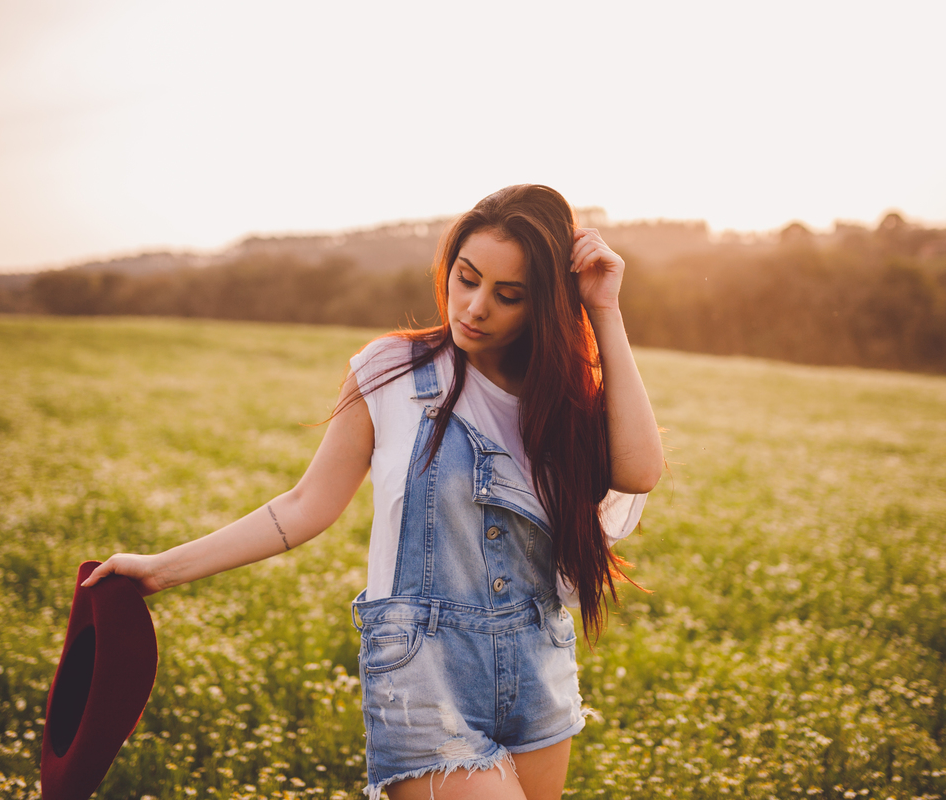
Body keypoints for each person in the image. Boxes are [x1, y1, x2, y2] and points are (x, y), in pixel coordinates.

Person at [82, 184, 663, 799]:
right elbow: (304, 506)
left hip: (536, 665)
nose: (475, 307)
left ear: (543, 304)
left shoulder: (559, 401)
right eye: (466, 279)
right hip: (422, 672)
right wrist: (159, 570)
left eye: (508, 295)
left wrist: (604, 309)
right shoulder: (390, 371)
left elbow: (639, 472)